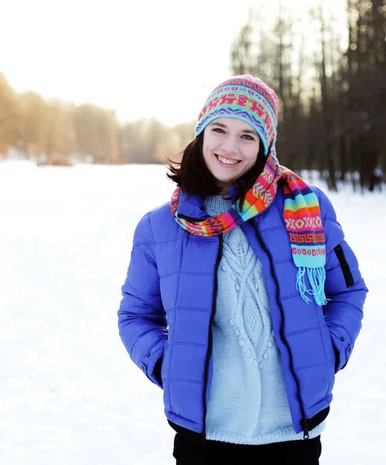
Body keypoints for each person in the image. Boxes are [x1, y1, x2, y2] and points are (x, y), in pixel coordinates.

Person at [117, 75, 368, 465]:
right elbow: (135, 315)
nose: (230, 147)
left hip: (293, 431)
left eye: (248, 136)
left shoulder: (304, 208)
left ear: (265, 146)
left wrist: (328, 348)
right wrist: (166, 364)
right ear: (201, 134)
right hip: (203, 436)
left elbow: (348, 291)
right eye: (219, 129)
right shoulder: (158, 228)